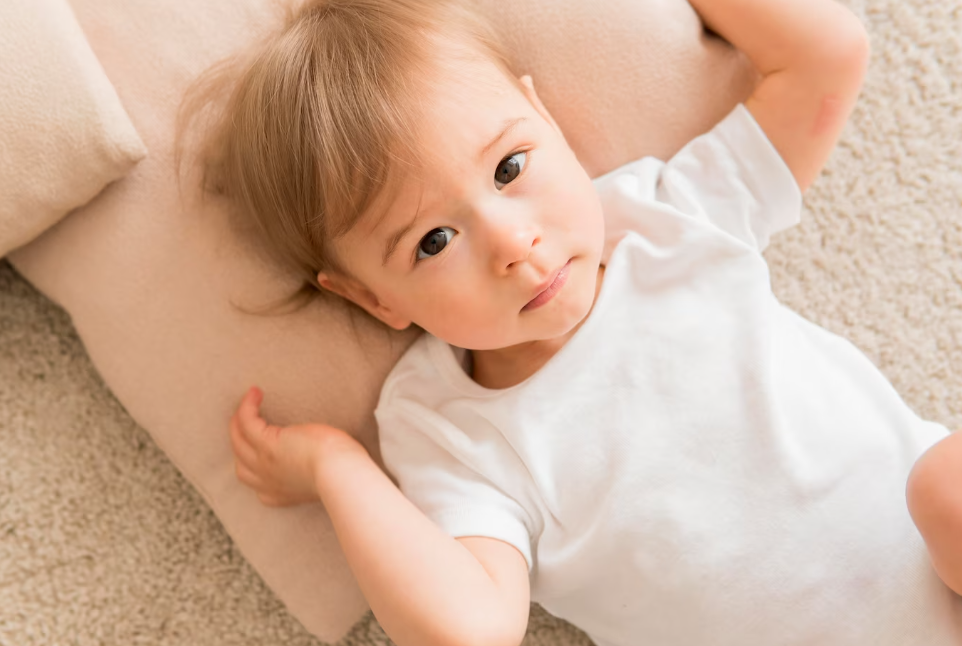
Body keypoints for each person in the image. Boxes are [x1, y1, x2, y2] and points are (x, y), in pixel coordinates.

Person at [187, 0, 962, 643]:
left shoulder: (665, 218)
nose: (511, 245)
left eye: (510, 168)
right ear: (372, 300)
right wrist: (337, 468)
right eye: (432, 242)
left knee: (944, 488)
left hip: (939, 563)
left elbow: (827, 54)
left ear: (544, 115)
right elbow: (466, 631)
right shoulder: (450, 425)